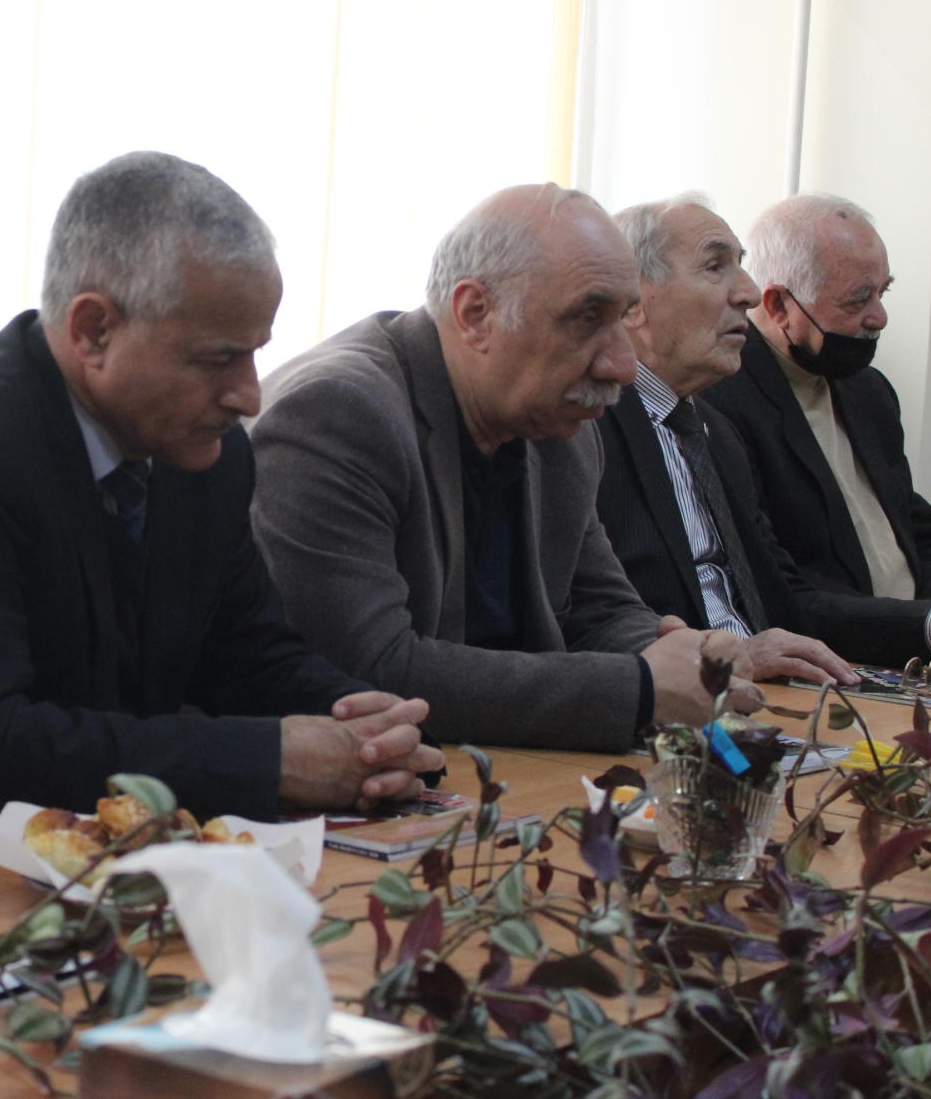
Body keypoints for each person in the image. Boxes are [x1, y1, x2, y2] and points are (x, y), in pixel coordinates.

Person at [0, 151, 443, 846]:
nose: (249, 396)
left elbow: (248, 655)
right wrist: (274, 761)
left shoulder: (204, 453)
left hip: (103, 853)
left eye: (255, 353)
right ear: (93, 330)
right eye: (218, 359)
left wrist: (368, 730)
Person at [251, 184, 749, 754]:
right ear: (475, 315)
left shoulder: (559, 426)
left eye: (623, 317)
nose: (623, 365)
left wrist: (683, 657)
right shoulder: (336, 412)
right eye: (587, 318)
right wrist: (639, 688)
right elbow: (368, 669)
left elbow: (599, 609)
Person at [599, 194, 931, 671]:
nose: (747, 292)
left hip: (806, 679)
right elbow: (590, 616)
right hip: (687, 692)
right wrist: (731, 663)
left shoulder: (711, 430)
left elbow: (779, 593)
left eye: (741, 264)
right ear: (633, 302)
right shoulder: (587, 430)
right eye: (715, 266)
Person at [701, 194, 931, 604]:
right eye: (858, 299)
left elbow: (922, 533)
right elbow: (781, 586)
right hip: (836, 640)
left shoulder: (870, 391)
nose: (879, 318)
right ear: (778, 305)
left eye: (882, 292)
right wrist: (924, 626)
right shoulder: (720, 401)